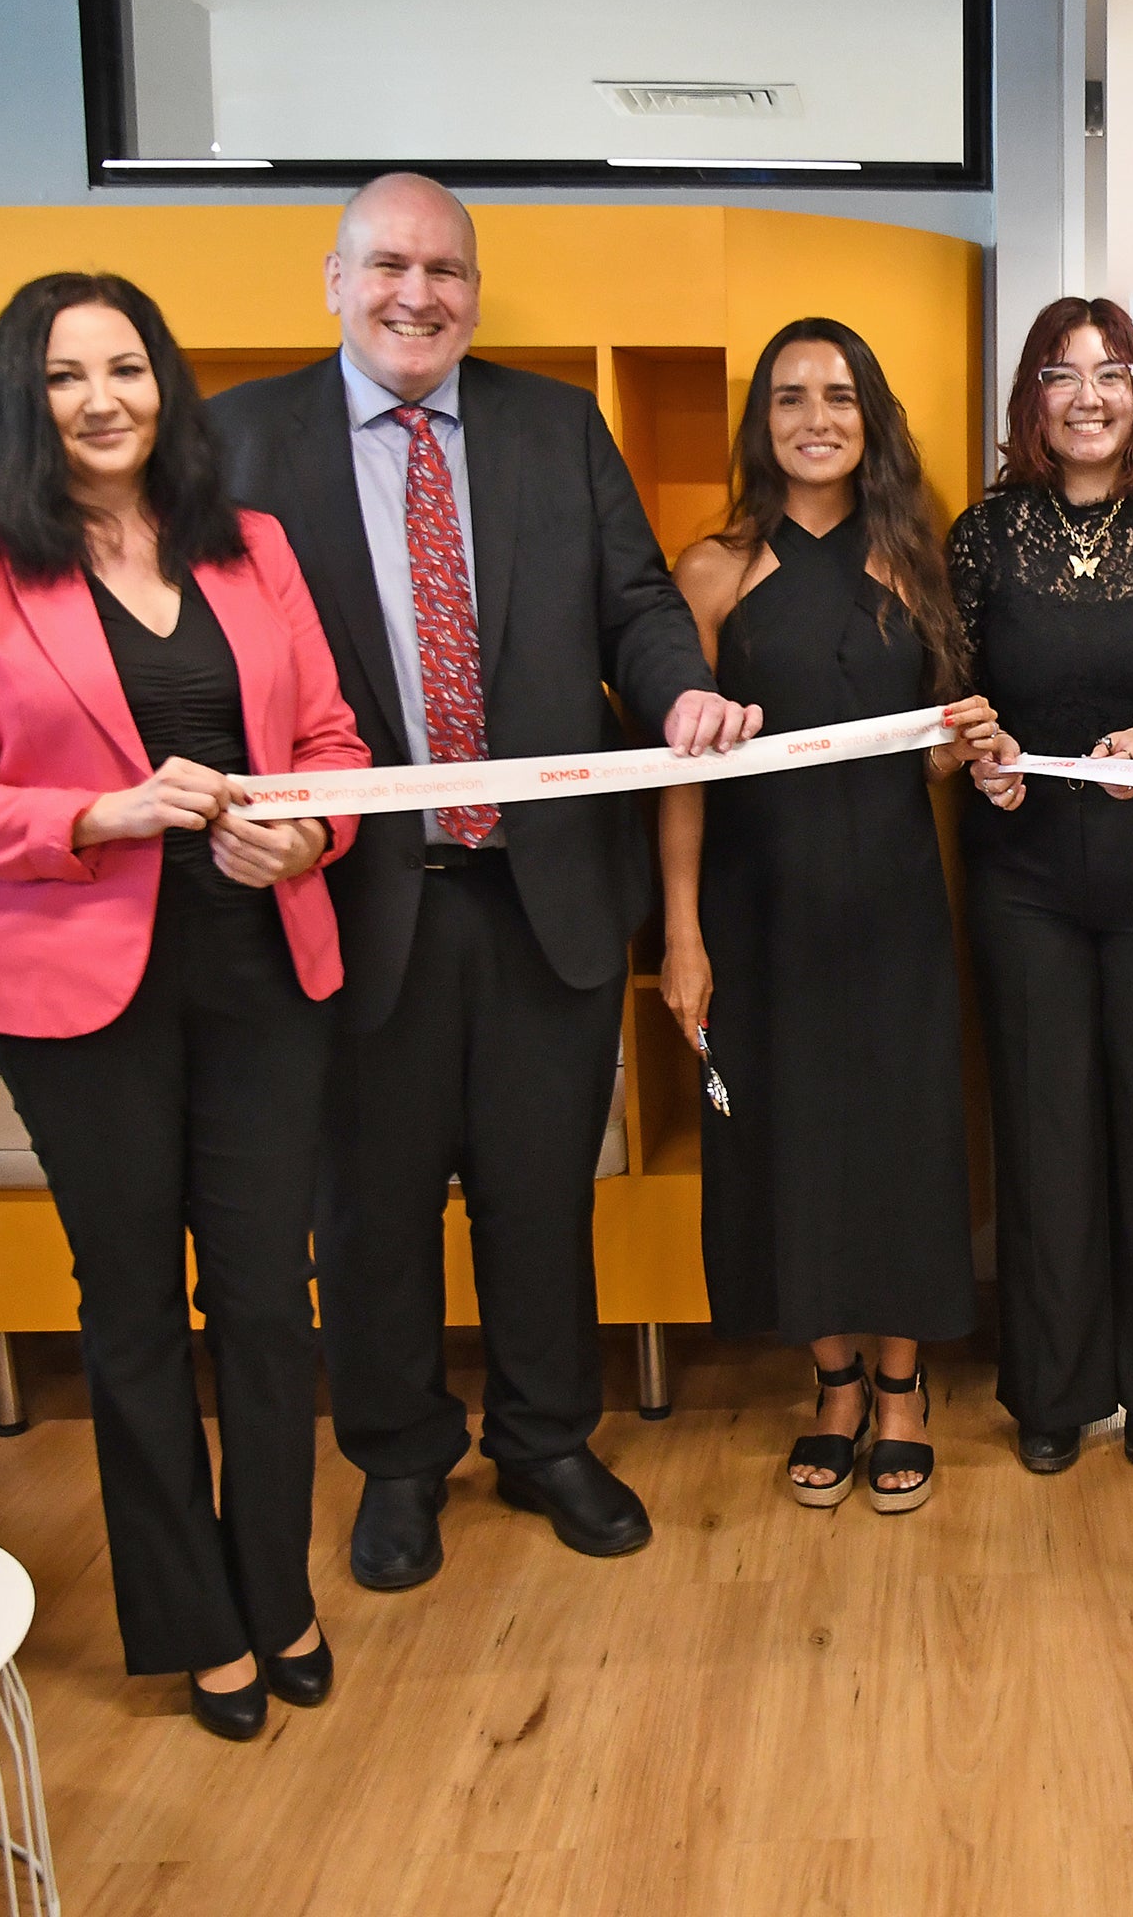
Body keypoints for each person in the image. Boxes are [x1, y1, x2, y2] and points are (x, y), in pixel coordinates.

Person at [210, 175, 751, 1591]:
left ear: (474, 291)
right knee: (372, 1207)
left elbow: (636, 602)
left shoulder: (553, 426)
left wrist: (681, 691)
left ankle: (545, 1439)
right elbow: (205, 658)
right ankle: (397, 1461)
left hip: (541, 895)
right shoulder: (242, 441)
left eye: (446, 270)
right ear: (332, 279)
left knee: (536, 1196)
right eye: (388, 264)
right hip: (350, 901)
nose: (419, 294)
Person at [0, 273, 369, 1740]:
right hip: (78, 1000)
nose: (102, 399)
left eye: (128, 369)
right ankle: (192, 1620)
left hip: (264, 973)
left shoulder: (251, 545)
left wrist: (314, 833)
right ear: (20, 401)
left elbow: (334, 744)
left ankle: (273, 1591)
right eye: (63, 376)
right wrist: (97, 813)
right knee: (138, 1314)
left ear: (166, 387)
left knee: (271, 1305)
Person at [660, 319, 994, 1513]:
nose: (816, 417)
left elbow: (943, 745)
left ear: (872, 418)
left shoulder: (920, 562)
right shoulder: (709, 573)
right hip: (762, 912)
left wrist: (960, 749)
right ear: (763, 422)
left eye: (841, 395)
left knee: (902, 1136)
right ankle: (836, 1381)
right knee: (790, 1142)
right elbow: (682, 774)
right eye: (792, 396)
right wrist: (684, 935)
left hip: (894, 902)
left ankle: (904, 1386)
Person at [950, 300, 1133, 1473]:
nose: (1088, 394)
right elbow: (953, 689)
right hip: (1022, 877)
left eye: (1111, 372)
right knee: (1044, 1134)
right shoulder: (983, 536)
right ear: (1032, 396)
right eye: (1062, 375)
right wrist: (978, 748)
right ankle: (1051, 1390)